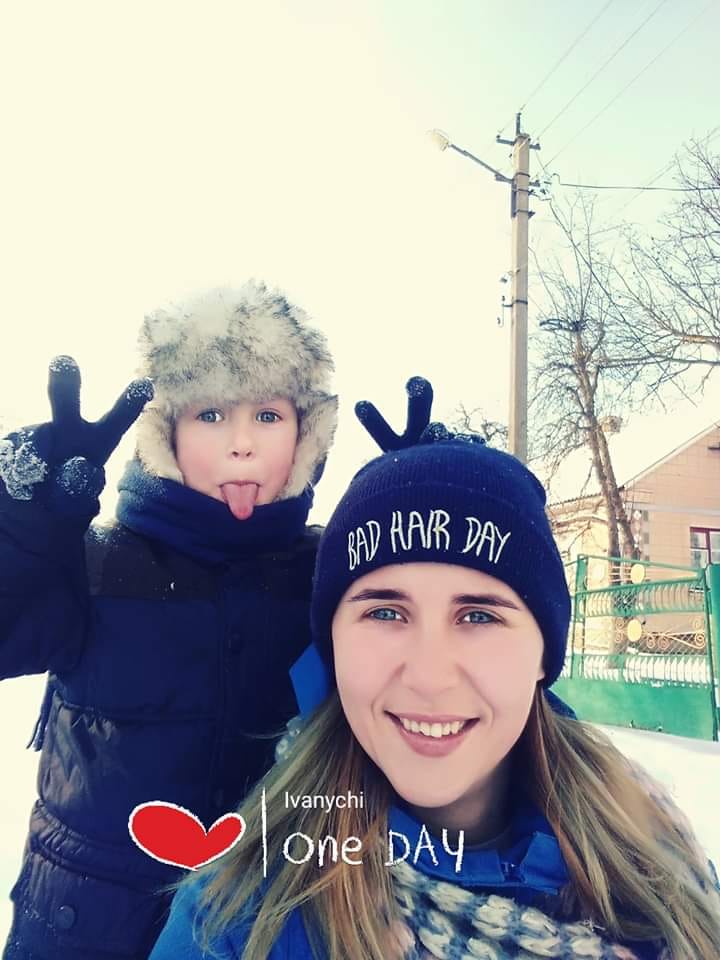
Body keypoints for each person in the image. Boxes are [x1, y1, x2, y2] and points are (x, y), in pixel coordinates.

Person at [149, 377, 720, 960]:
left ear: (544, 655)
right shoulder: (237, 920)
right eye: (385, 612)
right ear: (333, 647)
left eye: (478, 616)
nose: (428, 677)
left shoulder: (654, 855)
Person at [0, 281, 338, 960]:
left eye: (268, 415)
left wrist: (433, 507)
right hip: (80, 931)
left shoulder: (332, 577)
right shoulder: (93, 561)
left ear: (307, 432)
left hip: (266, 931)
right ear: (166, 431)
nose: (241, 444)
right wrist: (19, 529)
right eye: (210, 413)